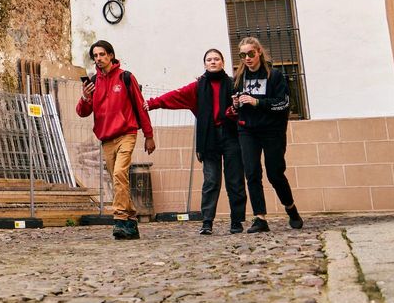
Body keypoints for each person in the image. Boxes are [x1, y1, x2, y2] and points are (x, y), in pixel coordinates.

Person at [146, 49, 247, 235]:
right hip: (209, 137)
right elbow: (175, 96)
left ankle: (236, 221)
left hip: (231, 135)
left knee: (235, 180)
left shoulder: (234, 84)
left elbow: (245, 109)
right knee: (210, 180)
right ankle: (207, 222)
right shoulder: (198, 86)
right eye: (209, 59)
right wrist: (152, 103)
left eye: (217, 59)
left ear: (223, 62)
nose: (213, 62)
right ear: (205, 64)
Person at [76, 40, 156, 240]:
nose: (99, 59)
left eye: (102, 54)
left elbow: (140, 107)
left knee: (120, 173)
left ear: (111, 55)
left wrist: (148, 135)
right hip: (106, 139)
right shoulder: (93, 82)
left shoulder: (126, 78)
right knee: (118, 181)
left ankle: (120, 219)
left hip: (127, 134)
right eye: (95, 56)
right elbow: (82, 112)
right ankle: (131, 222)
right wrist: (85, 98)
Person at [233, 37, 304, 233]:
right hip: (247, 130)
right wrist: (236, 104)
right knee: (252, 172)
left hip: (272, 131)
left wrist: (257, 102)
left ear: (259, 53)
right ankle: (260, 218)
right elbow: (236, 104)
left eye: (250, 54)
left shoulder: (274, 76)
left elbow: (283, 104)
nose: (247, 58)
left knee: (275, 173)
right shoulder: (240, 77)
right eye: (242, 55)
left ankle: (291, 209)